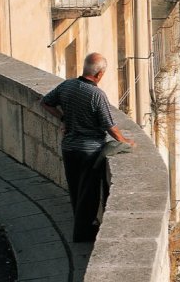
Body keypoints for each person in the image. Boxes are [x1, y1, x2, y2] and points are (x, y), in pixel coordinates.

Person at [41, 52, 135, 242]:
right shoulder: (96, 94)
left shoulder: (67, 85)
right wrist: (125, 141)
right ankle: (83, 232)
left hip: (69, 148)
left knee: (76, 190)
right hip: (89, 151)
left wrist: (62, 118)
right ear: (99, 74)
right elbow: (109, 126)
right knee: (89, 193)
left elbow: (45, 102)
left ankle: (82, 227)